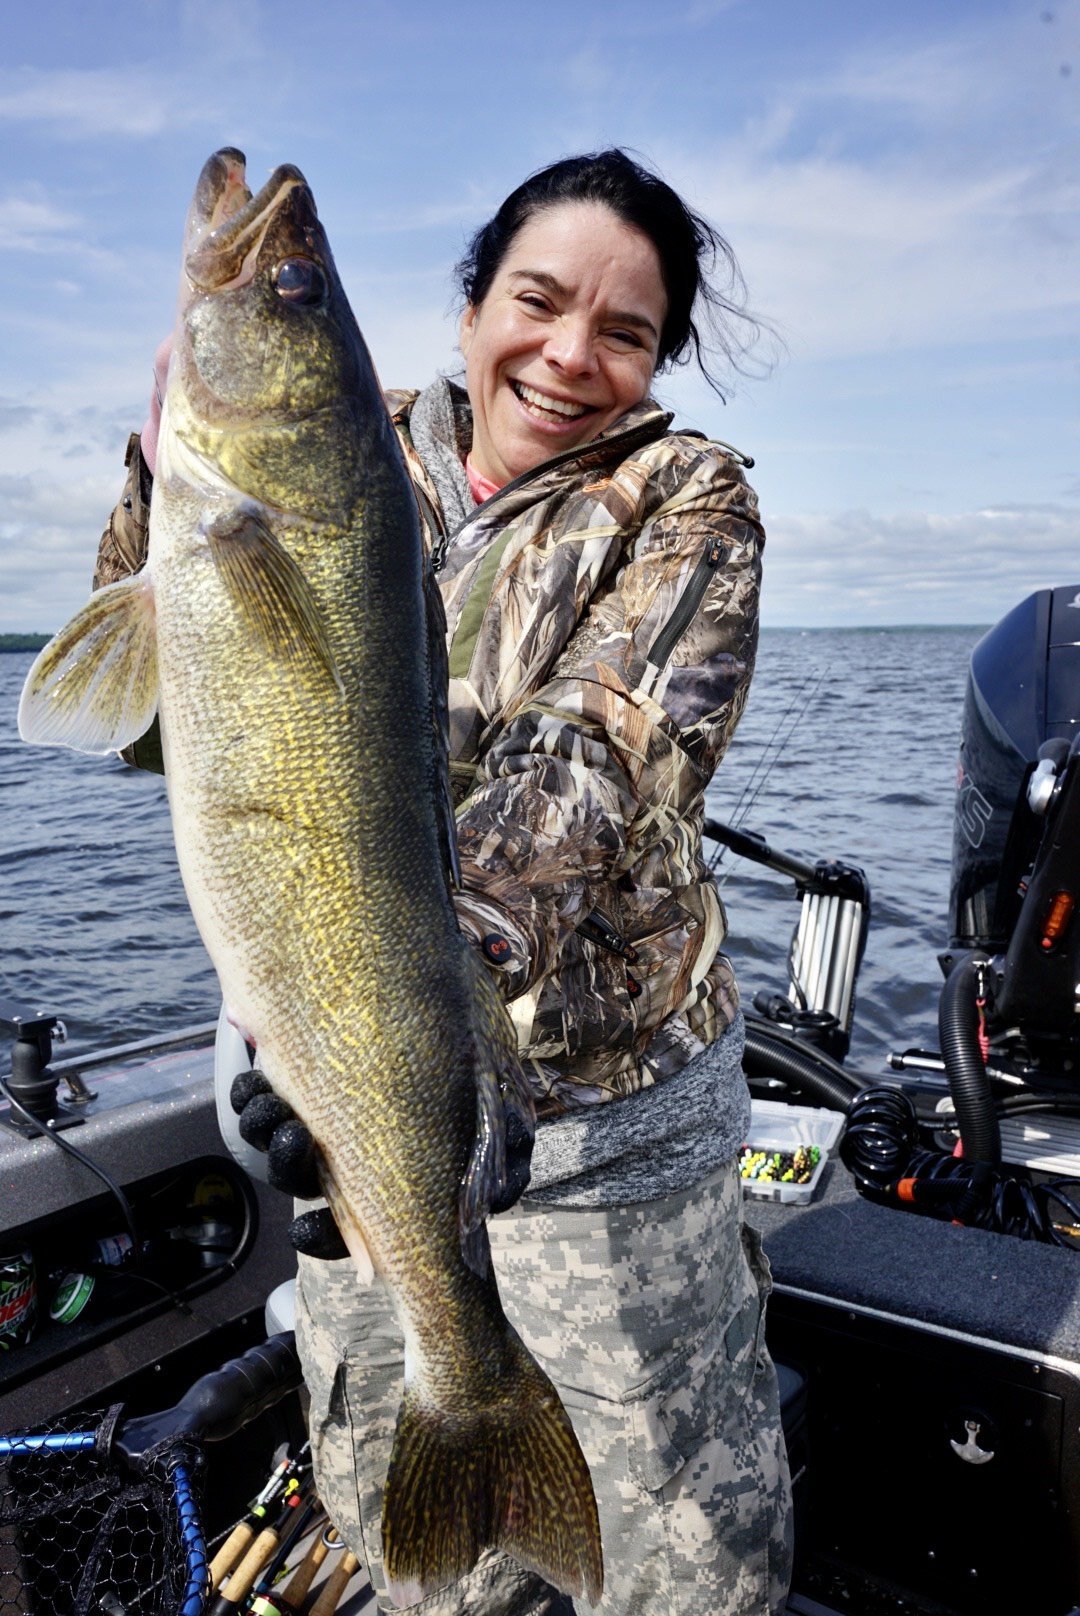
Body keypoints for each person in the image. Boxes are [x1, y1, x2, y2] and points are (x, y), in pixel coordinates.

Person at [94, 149, 792, 1615]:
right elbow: (159, 725)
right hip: (359, 1111)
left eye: (627, 333)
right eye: (537, 301)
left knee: (681, 1555)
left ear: (659, 362)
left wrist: (391, 1039)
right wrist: (154, 480)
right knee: (426, 1558)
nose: (571, 355)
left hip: (615, 1138)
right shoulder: (354, 455)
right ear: (473, 301)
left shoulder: (689, 504)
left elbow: (588, 774)